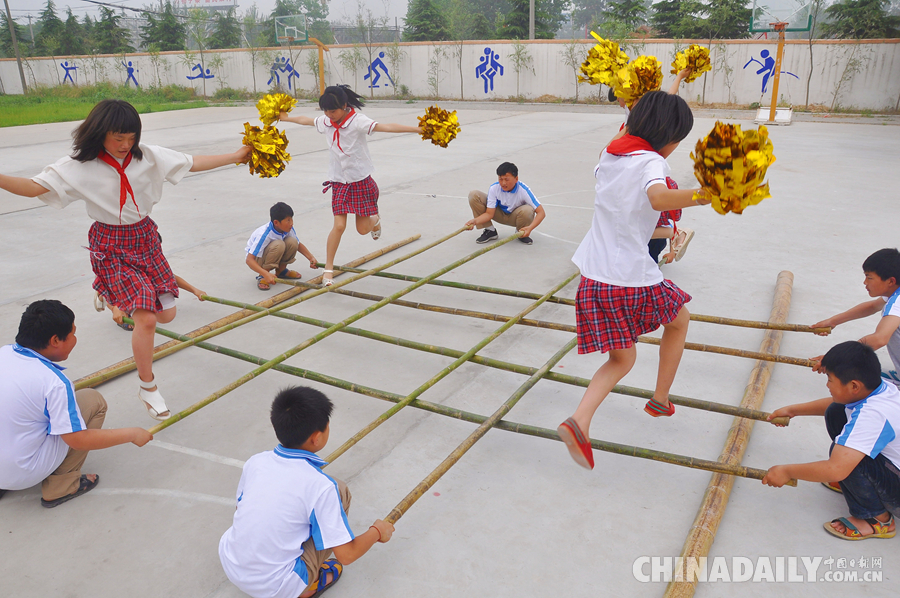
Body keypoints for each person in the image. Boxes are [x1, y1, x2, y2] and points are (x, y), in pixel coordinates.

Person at [0, 100, 251, 421]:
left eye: (130, 137)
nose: (125, 145)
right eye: (118, 138)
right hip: (110, 243)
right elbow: (33, 187)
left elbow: (191, 162)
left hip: (145, 237)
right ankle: (148, 387)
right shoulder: (80, 166)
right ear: (99, 133)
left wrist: (235, 156)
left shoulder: (148, 157)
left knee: (168, 315)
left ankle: (110, 291)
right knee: (145, 318)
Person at [556, 90, 710, 470]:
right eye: (678, 140)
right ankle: (660, 397)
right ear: (668, 137)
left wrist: (671, 86)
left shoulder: (610, 153)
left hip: (593, 277)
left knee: (621, 358)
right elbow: (659, 199)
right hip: (630, 277)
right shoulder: (653, 163)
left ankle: (580, 420)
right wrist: (706, 195)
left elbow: (636, 123)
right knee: (680, 320)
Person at [219, 386, 394, 598]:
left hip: (231, 564)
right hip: (276, 587)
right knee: (340, 491)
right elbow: (347, 555)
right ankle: (305, 587)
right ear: (317, 438)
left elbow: (241, 508)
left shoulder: (256, 462)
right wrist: (378, 531)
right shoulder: (322, 487)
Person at [0, 300, 152, 507]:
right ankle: (61, 485)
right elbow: (77, 439)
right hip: (21, 472)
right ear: (55, 340)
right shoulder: (54, 383)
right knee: (92, 400)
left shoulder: (4, 353)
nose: (75, 339)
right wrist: (132, 434)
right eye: (72, 334)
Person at [278, 85, 423, 286]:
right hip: (339, 182)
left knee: (363, 230)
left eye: (333, 111)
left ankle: (375, 218)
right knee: (338, 226)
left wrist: (418, 129)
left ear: (344, 105)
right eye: (326, 111)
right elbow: (307, 121)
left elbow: (386, 126)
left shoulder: (358, 121)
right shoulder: (327, 121)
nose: (329, 115)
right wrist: (286, 118)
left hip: (360, 182)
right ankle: (328, 270)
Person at [763, 341, 899, 541]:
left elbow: (836, 469)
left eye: (830, 379)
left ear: (854, 385)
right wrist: (793, 410)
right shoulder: (880, 387)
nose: (827, 385)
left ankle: (877, 519)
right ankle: (859, 486)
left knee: (846, 458)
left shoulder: (872, 416)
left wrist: (786, 471)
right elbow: (839, 402)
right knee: (836, 412)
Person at [811, 248, 900, 386]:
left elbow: (880, 339)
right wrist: (832, 321)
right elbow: (873, 306)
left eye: (869, 277)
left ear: (890, 281)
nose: (865, 282)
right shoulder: (895, 292)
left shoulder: (896, 302)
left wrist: (838, 358)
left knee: (852, 382)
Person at [465, 162, 546, 245]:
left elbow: (541, 212)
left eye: (507, 179)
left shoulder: (523, 190)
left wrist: (530, 228)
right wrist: (475, 221)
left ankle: (521, 232)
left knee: (528, 210)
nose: (503, 183)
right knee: (474, 195)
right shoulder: (494, 188)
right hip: (499, 214)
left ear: (516, 179)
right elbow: (489, 214)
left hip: (516, 217)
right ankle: (490, 230)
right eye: (500, 179)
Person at [245, 202, 318, 291]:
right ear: (276, 222)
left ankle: (281, 271)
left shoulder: (288, 228)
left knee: (292, 242)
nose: (291, 223)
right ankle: (263, 276)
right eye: (288, 220)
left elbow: (298, 245)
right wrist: (265, 273)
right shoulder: (264, 234)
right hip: (258, 260)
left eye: (291, 219)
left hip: (273, 253)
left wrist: (311, 258)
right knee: (279, 245)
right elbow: (249, 260)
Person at [101, 275, 207, 331]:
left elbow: (171, 276)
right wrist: (115, 308)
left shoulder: (152, 260)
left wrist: (195, 290)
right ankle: (101, 297)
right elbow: (110, 287)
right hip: (116, 288)